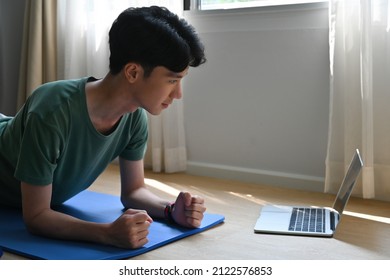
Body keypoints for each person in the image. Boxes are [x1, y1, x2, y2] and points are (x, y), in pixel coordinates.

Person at [0, 6, 206, 249]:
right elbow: (36, 217)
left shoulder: (134, 119)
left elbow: (133, 192)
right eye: (172, 80)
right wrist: (107, 233)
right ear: (132, 72)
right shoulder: (53, 109)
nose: (178, 94)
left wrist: (171, 210)